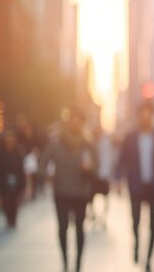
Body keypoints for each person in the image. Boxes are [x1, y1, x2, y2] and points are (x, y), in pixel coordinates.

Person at [116, 100, 154, 271]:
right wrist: (118, 179)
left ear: (152, 116)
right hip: (136, 185)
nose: (145, 117)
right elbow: (122, 160)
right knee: (135, 221)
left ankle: (149, 258)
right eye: (142, 114)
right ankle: (136, 244)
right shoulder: (130, 137)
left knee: (152, 224)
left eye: (148, 114)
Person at [41, 107, 97, 272]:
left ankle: (78, 263)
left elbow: (96, 166)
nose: (75, 123)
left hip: (81, 192)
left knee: (80, 227)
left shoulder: (88, 144)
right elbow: (42, 163)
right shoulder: (56, 143)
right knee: (62, 227)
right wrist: (49, 177)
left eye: (79, 120)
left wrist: (89, 168)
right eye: (73, 119)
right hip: (62, 192)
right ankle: (65, 262)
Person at [0, 130, 27, 228]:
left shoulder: (17, 152)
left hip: (16, 181)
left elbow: (21, 168)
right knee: (6, 202)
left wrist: (23, 183)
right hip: (3, 182)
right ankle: (8, 218)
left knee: (14, 201)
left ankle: (13, 219)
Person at [89, 125, 117, 229]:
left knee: (105, 197)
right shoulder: (91, 142)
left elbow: (109, 158)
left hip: (104, 175)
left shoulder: (106, 142)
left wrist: (109, 174)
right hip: (93, 175)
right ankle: (93, 215)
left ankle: (103, 218)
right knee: (90, 198)